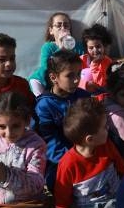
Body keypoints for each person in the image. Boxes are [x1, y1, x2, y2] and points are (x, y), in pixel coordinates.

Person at [35, 50, 91, 188]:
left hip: (88, 150)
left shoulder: (84, 97)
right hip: (61, 159)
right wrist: (74, 159)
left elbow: (94, 128)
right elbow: (50, 142)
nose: (77, 80)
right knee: (55, 181)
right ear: (54, 78)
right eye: (70, 76)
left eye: (78, 73)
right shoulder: (44, 105)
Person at [28, 12, 75, 96]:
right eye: (58, 25)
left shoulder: (77, 46)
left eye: (66, 25)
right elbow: (46, 67)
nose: (63, 28)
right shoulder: (48, 47)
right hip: (41, 81)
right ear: (51, 31)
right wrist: (61, 48)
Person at [80, 23, 113, 92]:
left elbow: (101, 84)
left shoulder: (107, 61)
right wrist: (85, 84)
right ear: (86, 48)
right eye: (91, 48)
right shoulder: (81, 60)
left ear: (104, 46)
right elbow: (74, 79)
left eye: (98, 46)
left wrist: (94, 65)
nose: (95, 50)